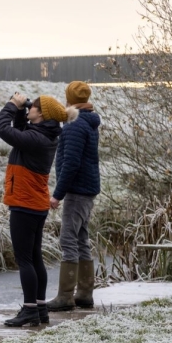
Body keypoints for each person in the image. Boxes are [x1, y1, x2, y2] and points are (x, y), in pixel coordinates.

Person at [0, 92, 77, 327]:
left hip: (25, 203)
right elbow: (20, 130)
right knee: (34, 257)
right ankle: (40, 308)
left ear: (41, 114)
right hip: (34, 203)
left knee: (25, 259)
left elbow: (3, 129)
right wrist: (21, 111)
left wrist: (12, 105)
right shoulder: (44, 134)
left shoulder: (37, 138)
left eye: (33, 107)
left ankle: (29, 309)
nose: (29, 108)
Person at [47, 81, 101, 312]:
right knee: (80, 238)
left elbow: (70, 163)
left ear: (69, 98)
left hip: (77, 191)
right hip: (87, 189)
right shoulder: (88, 121)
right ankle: (85, 293)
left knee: (68, 238)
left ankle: (66, 296)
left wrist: (57, 195)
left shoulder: (74, 124)